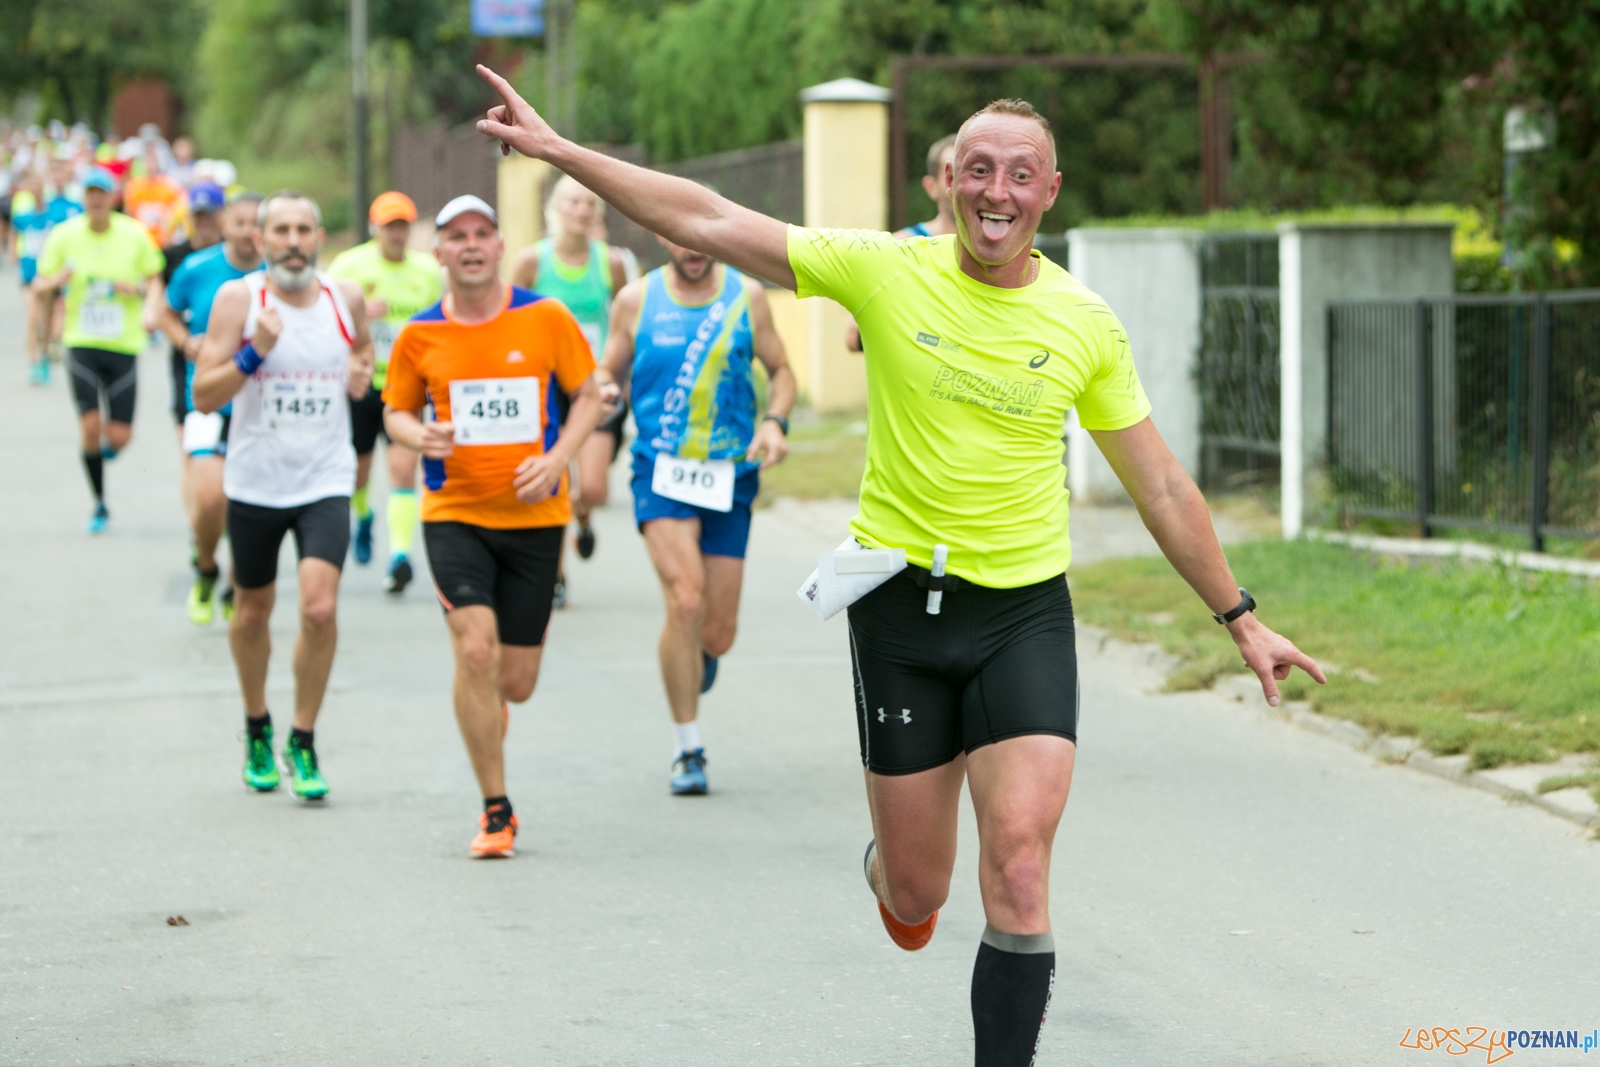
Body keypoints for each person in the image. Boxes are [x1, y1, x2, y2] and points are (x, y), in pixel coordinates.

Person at [474, 66, 1324, 1066]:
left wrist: (1240, 615)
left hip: (1021, 613)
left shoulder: (1083, 322)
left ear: (1049, 192)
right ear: (947, 183)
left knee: (1016, 864)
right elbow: (709, 216)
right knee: (919, 894)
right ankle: (891, 867)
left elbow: (1166, 489)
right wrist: (566, 153)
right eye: (976, 169)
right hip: (899, 616)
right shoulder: (884, 268)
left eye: (1019, 174)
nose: (995, 191)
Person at [382, 194, 601, 856]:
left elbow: (589, 394)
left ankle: (489, 706)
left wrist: (560, 459)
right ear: (440, 252)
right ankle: (496, 809)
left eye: (483, 233)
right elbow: (393, 412)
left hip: (536, 516)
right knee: (475, 649)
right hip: (455, 514)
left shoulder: (546, 317)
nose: (471, 245)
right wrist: (422, 433)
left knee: (516, 681)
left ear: (501, 247)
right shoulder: (419, 335)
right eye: (457, 236)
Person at [191, 190, 374, 800]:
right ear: (260, 241)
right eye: (281, 230)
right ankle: (255, 725)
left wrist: (362, 371)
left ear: (319, 238)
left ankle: (303, 736)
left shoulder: (342, 298)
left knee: (319, 609)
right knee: (252, 611)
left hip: (325, 478)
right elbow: (204, 396)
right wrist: (253, 351)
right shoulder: (239, 300)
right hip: (256, 482)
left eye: (304, 229)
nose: (293, 241)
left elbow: (363, 348)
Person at [596, 232, 794, 795]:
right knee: (685, 597)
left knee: (718, 631)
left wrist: (775, 422)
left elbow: (782, 371)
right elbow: (607, 367)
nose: (691, 247)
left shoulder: (747, 295)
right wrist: (606, 388)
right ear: (660, 236)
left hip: (731, 473)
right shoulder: (636, 300)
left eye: (699, 237)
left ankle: (697, 653)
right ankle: (688, 748)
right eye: (677, 238)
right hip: (661, 472)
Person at [511, 175, 630, 584]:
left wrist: (620, 376)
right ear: (556, 210)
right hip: (546, 388)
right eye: (573, 202)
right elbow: (509, 317)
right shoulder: (532, 261)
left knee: (593, 488)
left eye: (589, 204)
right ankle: (555, 574)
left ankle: (581, 515)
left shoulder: (610, 262)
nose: (582, 210)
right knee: (553, 481)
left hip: (593, 385)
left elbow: (625, 321)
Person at [33, 167, 164, 534]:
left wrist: (143, 297)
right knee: (90, 426)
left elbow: (154, 279)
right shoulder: (64, 236)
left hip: (123, 344)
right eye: (90, 193)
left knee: (119, 437)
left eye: (102, 193)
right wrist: (54, 282)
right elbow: (39, 285)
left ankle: (101, 454)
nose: (96, 199)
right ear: (83, 197)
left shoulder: (134, 234)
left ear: (113, 197)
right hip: (81, 341)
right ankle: (100, 502)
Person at [326, 190, 442, 593]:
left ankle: (399, 557)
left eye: (403, 226)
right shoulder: (349, 266)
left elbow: (442, 323)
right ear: (375, 227)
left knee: (404, 470)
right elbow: (326, 318)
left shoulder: (428, 272)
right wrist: (359, 313)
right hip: (362, 383)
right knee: (358, 473)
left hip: (406, 387)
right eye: (390, 226)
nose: (397, 233)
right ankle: (363, 516)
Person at [158, 189, 263, 625]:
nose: (248, 232)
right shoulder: (197, 269)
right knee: (210, 498)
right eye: (239, 222)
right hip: (208, 402)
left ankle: (239, 582)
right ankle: (205, 566)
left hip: (262, 409)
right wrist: (185, 341)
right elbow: (165, 312)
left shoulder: (281, 275)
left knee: (251, 508)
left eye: (256, 223)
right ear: (224, 225)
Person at [843, 133, 958, 353]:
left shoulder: (999, 253)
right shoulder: (901, 247)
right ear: (931, 187)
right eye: (951, 175)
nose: (961, 184)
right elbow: (852, 337)